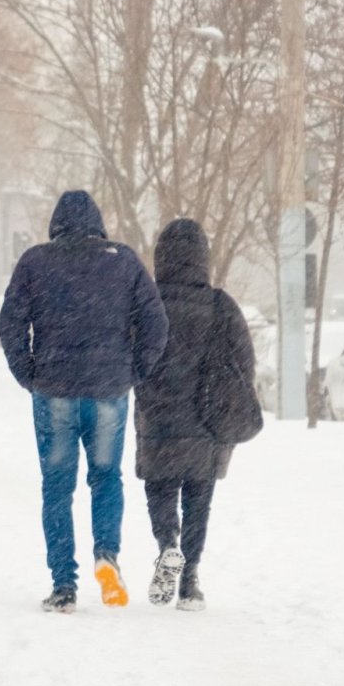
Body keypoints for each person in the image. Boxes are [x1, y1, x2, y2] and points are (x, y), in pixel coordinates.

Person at [0, 190, 168, 614]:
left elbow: (10, 324)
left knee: (57, 487)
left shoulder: (35, 262)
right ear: (97, 222)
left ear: (56, 223)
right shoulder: (123, 261)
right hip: (108, 389)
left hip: (53, 388)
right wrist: (134, 370)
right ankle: (106, 555)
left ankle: (63, 586)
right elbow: (155, 322)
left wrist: (29, 373)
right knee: (106, 478)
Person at [133, 219, 258, 612]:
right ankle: (189, 583)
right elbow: (245, 362)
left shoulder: (148, 302)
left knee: (161, 488)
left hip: (158, 417)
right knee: (199, 499)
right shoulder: (221, 305)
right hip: (207, 421)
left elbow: (130, 354)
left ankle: (168, 544)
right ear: (203, 258)